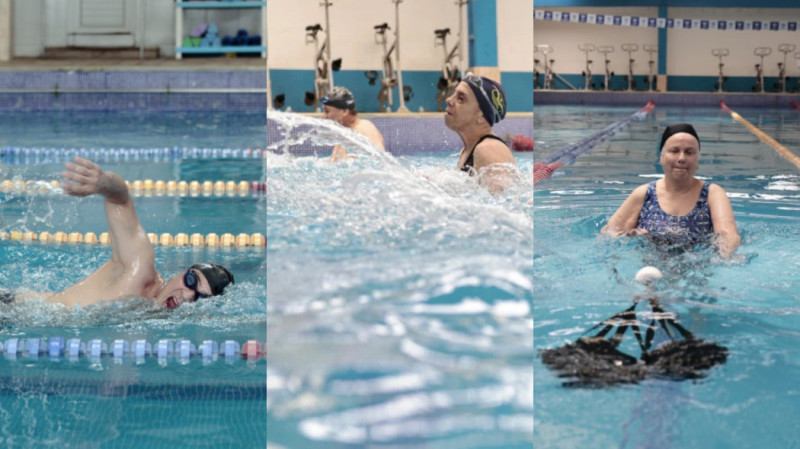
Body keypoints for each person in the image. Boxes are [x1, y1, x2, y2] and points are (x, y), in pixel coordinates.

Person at [8, 157, 234, 309]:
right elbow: (120, 199)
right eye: (191, 280)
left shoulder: (151, 311)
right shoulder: (139, 270)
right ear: (182, 272)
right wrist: (104, 182)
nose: (187, 295)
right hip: (9, 308)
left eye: (199, 298)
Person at [601, 123, 741, 259]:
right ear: (661, 158)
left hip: (698, 268)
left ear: (697, 159)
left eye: (689, 152)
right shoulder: (644, 194)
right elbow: (607, 234)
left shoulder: (712, 193)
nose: (681, 158)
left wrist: (723, 256)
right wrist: (631, 238)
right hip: (651, 266)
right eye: (674, 151)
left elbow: (728, 235)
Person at [445, 72, 516, 192]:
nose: (449, 100)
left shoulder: (487, 149)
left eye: (461, 98)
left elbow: (506, 203)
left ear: (481, 116)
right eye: (454, 94)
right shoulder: (468, 150)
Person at [320, 86, 386, 161]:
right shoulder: (346, 133)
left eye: (327, 111)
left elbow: (382, 161)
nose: (323, 116)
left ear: (344, 111)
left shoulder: (364, 128)